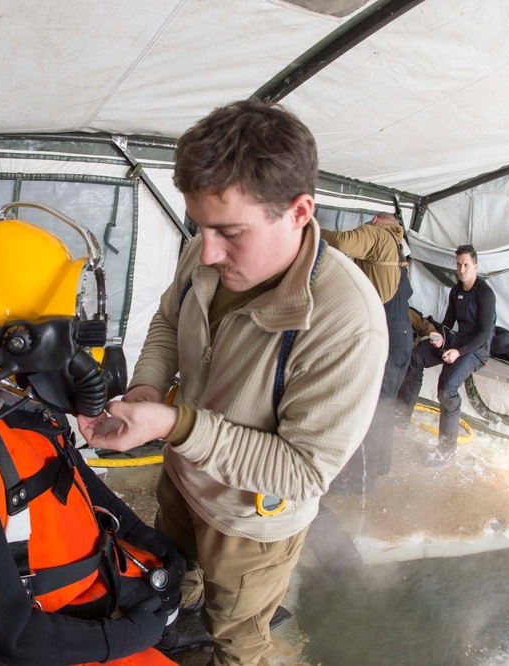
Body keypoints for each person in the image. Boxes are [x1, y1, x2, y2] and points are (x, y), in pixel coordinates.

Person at [77, 100, 388, 665]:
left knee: (237, 635)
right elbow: (171, 321)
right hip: (183, 477)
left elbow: (303, 470)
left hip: (250, 523)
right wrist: (148, 389)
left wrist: (176, 424)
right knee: (173, 573)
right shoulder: (206, 251)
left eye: (231, 232)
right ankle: (177, 620)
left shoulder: (347, 322)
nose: (208, 250)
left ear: (299, 212)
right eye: (201, 227)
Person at [0, 215, 185, 665]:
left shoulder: (5, 392)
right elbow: (15, 637)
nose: (75, 354)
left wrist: (143, 538)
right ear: (11, 341)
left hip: (88, 579)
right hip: (50, 632)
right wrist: (130, 635)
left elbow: (69, 471)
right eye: (61, 330)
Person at [321, 213, 413, 493]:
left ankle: (362, 480)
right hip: (403, 336)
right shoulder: (399, 246)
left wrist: (308, 229)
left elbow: (341, 242)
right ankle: (378, 466)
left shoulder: (377, 235)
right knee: (384, 406)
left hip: (386, 335)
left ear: (375, 220)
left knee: (370, 407)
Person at [396, 244, 496, 467]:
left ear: (476, 266)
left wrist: (458, 352)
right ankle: (401, 413)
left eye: (466, 265)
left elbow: (484, 334)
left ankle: (446, 447)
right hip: (457, 341)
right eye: (459, 265)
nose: (461, 269)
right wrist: (440, 337)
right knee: (417, 355)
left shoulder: (485, 294)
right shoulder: (456, 290)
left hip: (476, 350)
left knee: (447, 388)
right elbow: (449, 323)